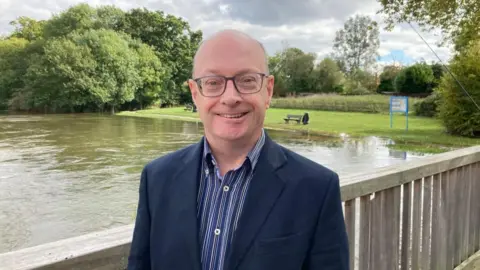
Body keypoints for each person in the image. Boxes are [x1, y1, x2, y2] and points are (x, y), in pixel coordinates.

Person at [128, 29, 349, 270]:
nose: (230, 97)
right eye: (213, 83)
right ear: (194, 93)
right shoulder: (156, 178)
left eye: (247, 81)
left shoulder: (316, 188)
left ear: (268, 90)